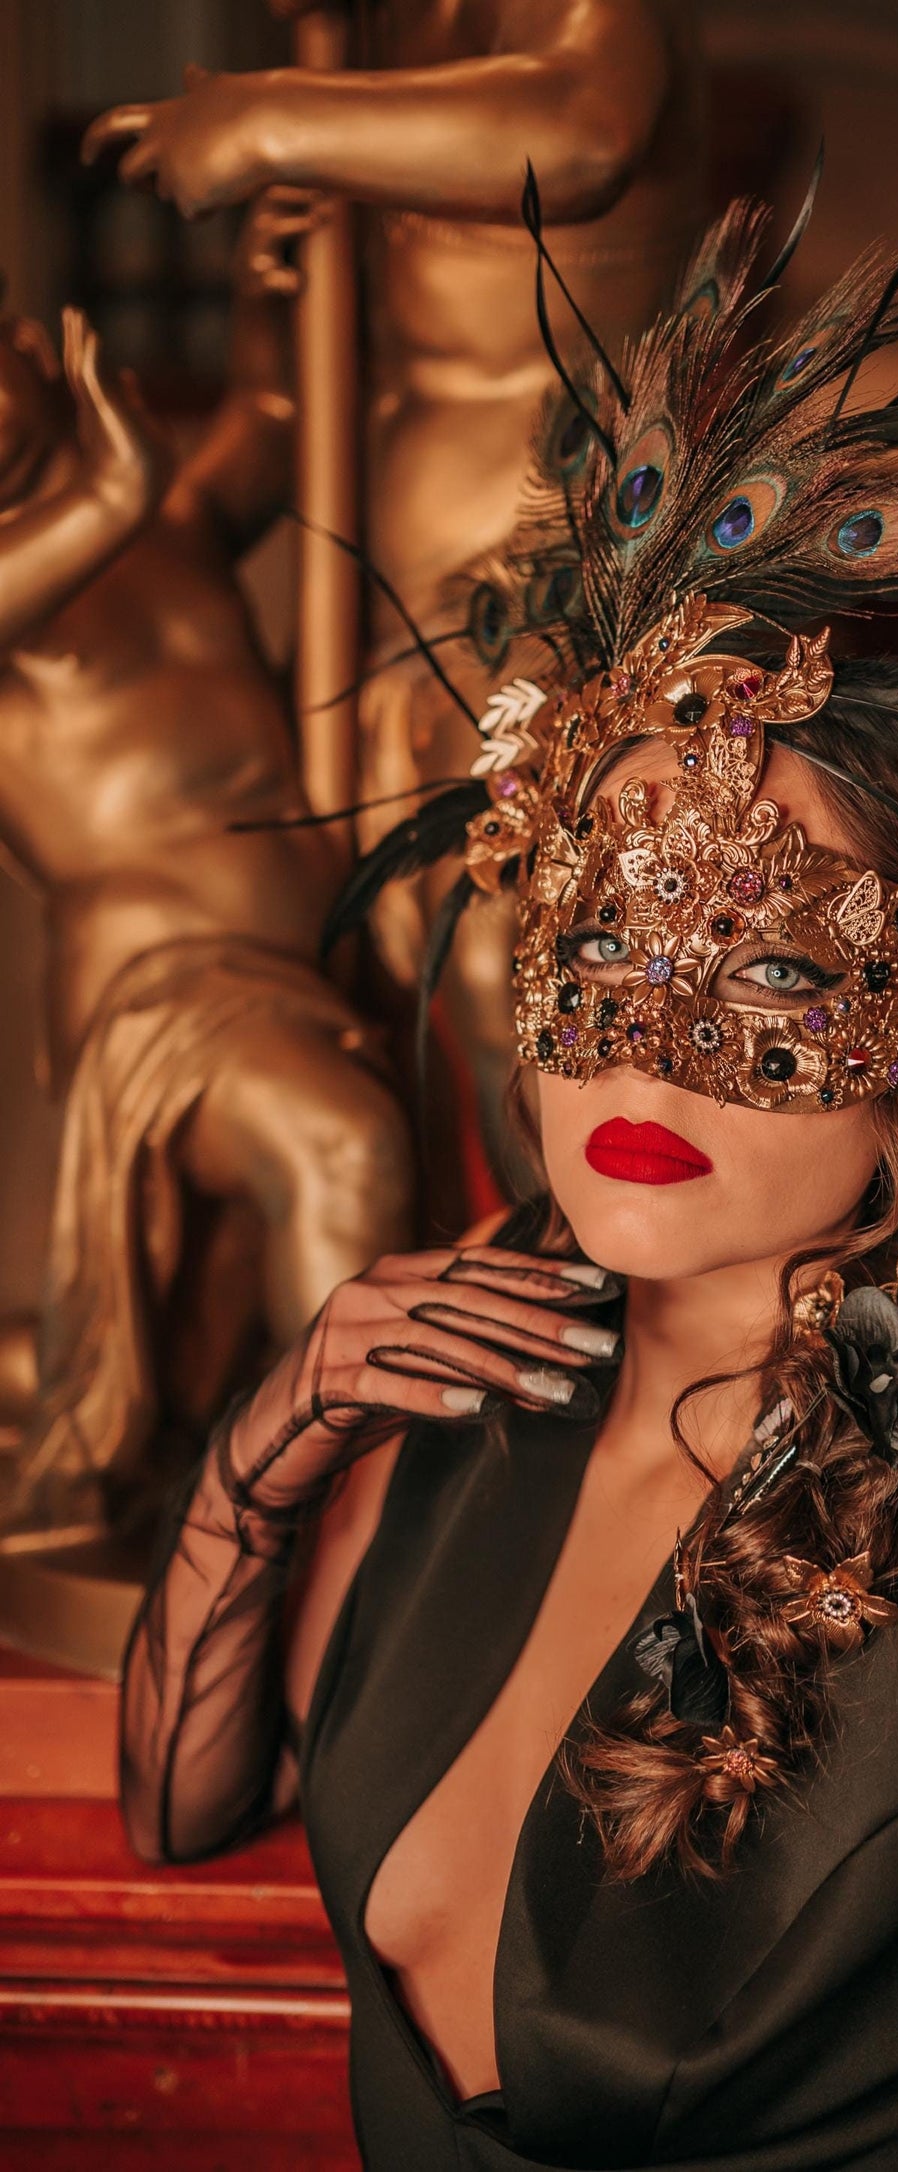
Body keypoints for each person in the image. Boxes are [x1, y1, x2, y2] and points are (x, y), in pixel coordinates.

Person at [118, 199, 898, 2168]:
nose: (650, 1047)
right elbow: (180, 1813)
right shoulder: (437, 1442)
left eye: (775, 974)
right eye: (607, 957)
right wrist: (268, 1438)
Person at [82, 0, 705, 1162]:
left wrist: (277, 116)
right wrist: (270, 337)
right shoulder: (387, 48)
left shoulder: (570, 19)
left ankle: (596, 1316)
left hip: (556, 604)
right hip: (394, 630)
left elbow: (584, 131)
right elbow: (277, 443)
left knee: (513, 978)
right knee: (404, 997)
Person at [0, 204, 411, 1534]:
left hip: (321, 957)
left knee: (250, 1331)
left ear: (23, 344)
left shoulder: (167, 520)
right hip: (165, 1001)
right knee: (335, 1152)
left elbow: (289, 416)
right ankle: (359, 1540)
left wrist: (266, 282)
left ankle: (299, 1496)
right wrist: (108, 495)